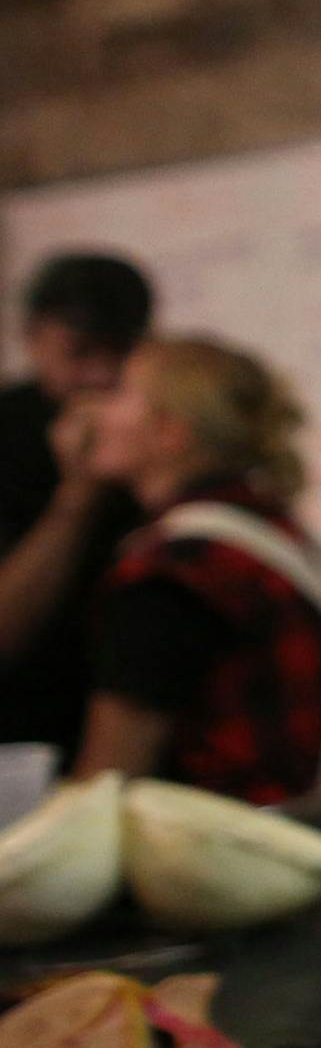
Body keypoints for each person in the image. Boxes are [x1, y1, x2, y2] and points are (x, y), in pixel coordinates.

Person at [75, 336, 321, 806]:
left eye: (121, 393)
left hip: (214, 847)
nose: (96, 412)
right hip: (301, 835)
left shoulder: (172, 573)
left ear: (170, 431)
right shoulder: (289, 543)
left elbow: (105, 789)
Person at [0, 253, 153, 764]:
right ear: (33, 336)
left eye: (120, 352)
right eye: (80, 351)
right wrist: (78, 498)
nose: (101, 375)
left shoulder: (152, 431)